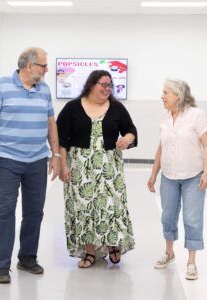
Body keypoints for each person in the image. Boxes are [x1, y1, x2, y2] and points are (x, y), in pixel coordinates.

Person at [0, 47, 60, 283]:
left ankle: (27, 258)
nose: (47, 70)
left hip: (37, 160)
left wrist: (55, 155)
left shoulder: (44, 89)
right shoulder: (2, 85)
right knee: (5, 212)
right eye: (43, 66)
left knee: (34, 212)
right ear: (29, 66)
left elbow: (50, 122)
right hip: (7, 159)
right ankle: (2, 266)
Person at [57, 70, 137, 268]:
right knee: (84, 209)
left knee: (111, 207)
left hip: (110, 169)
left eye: (110, 85)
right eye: (103, 84)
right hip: (79, 168)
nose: (107, 88)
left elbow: (131, 130)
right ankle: (90, 251)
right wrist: (63, 165)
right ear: (92, 84)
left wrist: (127, 138)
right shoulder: (72, 107)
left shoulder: (117, 107)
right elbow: (60, 139)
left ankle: (113, 245)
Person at [147, 79, 207, 280]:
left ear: (178, 95)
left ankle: (191, 262)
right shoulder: (165, 118)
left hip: (193, 176)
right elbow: (161, 147)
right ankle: (169, 253)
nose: (162, 96)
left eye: (166, 92)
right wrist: (154, 173)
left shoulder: (197, 115)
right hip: (169, 175)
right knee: (167, 217)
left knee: (192, 219)